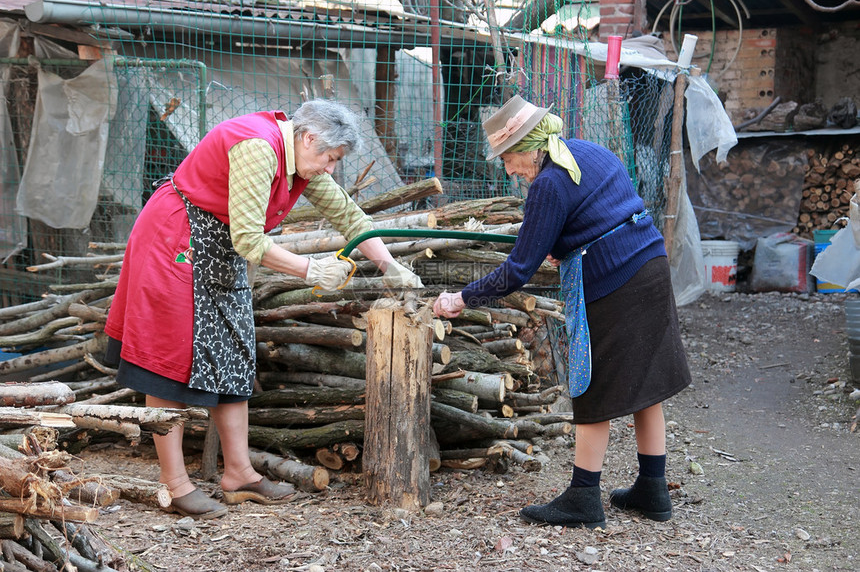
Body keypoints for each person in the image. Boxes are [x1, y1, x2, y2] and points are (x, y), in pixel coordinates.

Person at [105, 100, 422, 519]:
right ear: (308, 138)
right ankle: (174, 483)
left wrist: (391, 266)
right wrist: (312, 270)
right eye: (330, 158)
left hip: (219, 247)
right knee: (171, 360)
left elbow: (349, 215)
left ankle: (238, 473)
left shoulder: (303, 161)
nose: (330, 168)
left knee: (235, 353)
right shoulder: (258, 148)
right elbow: (251, 242)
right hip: (176, 241)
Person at [433, 95, 691, 529]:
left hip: (614, 281)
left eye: (511, 158)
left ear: (532, 144)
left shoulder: (549, 184)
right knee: (647, 383)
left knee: (591, 386)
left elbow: (517, 270)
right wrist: (564, 244)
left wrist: (462, 298)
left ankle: (583, 498)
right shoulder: (587, 151)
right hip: (649, 265)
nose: (510, 169)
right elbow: (599, 211)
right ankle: (653, 490)